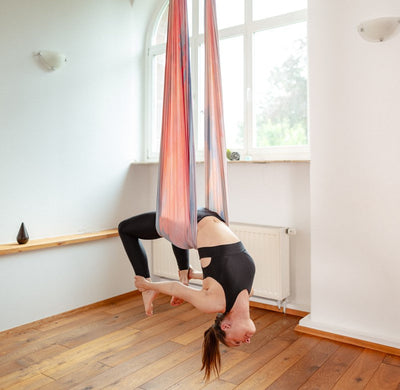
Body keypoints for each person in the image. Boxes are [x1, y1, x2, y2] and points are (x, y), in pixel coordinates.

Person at [118, 207, 256, 380]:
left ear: (226, 327)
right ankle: (185, 273)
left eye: (237, 342)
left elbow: (177, 289)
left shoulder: (213, 303)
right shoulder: (249, 292)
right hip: (207, 215)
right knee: (179, 239)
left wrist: (148, 284)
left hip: (188, 224)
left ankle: (147, 288)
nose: (246, 341)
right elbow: (218, 273)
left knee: (125, 229)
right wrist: (194, 275)